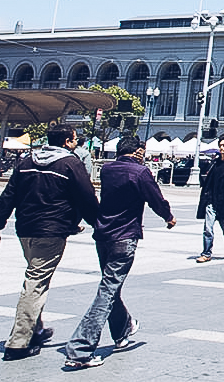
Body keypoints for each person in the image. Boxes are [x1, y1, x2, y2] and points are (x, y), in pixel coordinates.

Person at [0, 124, 100, 360]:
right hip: (51, 231)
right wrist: (100, 223)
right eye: (75, 139)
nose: (76, 143)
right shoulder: (70, 163)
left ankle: (35, 329)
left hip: (25, 229)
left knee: (35, 276)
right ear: (67, 141)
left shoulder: (27, 161)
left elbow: (9, 194)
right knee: (35, 282)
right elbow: (86, 196)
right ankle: (18, 343)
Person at [63, 134, 175, 369]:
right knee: (107, 290)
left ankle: (123, 329)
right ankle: (80, 349)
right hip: (125, 236)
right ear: (137, 151)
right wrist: (168, 217)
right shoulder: (140, 172)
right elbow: (155, 199)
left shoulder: (107, 170)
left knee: (110, 286)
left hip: (103, 234)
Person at [194, 134, 224, 261]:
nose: (221, 148)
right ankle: (206, 253)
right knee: (208, 228)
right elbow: (207, 178)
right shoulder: (214, 163)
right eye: (220, 145)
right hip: (212, 200)